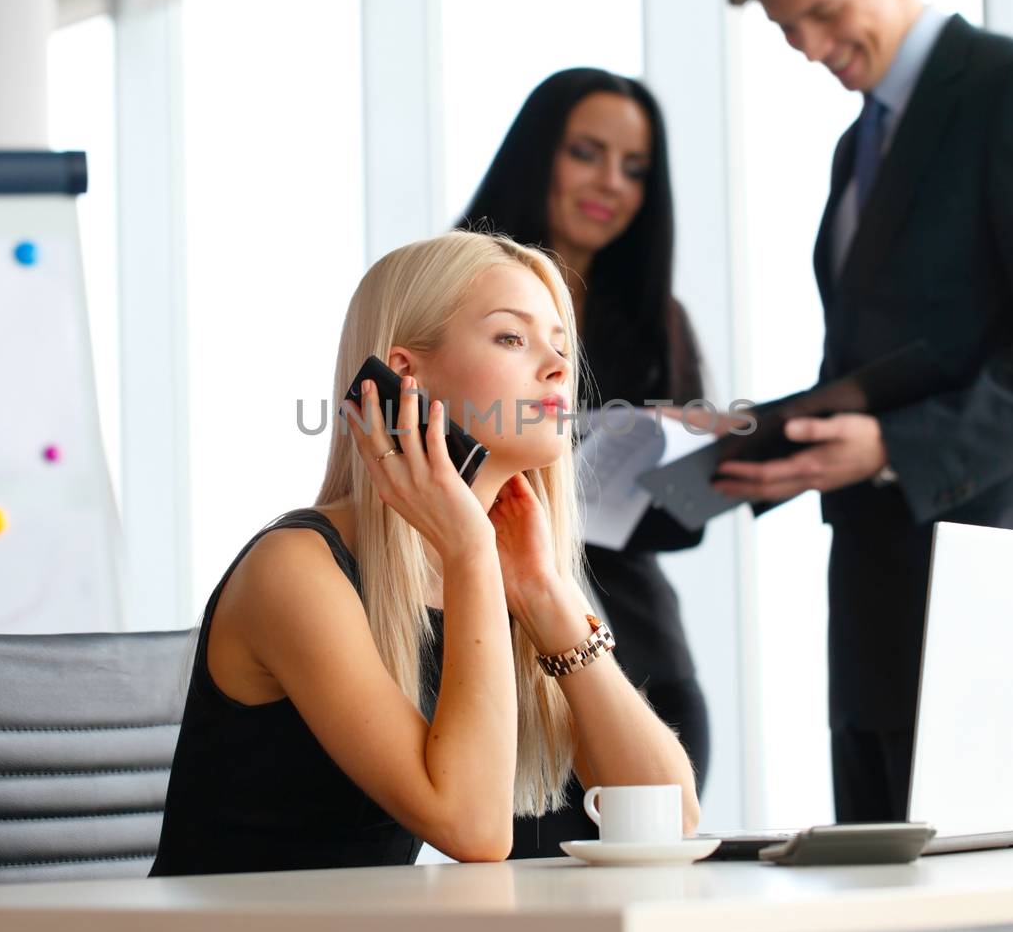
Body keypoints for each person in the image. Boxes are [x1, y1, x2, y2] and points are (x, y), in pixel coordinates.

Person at [716, 0, 1013, 837]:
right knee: (886, 911)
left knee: (982, 909)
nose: (815, 51)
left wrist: (894, 447)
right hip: (875, 593)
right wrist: (747, 433)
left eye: (823, 14)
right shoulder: (855, 148)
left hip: (992, 588)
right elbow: (902, 358)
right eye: (790, 31)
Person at [150, 231, 700, 876]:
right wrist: (469, 551)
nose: (557, 367)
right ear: (404, 375)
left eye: (558, 344)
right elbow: (473, 828)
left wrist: (545, 594)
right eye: (511, 338)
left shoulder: (511, 567)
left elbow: (670, 817)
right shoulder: (296, 568)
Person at [459, 68, 711, 858]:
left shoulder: (656, 320)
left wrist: (682, 460)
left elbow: (681, 522)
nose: (612, 183)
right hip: (504, 656)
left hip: (639, 652)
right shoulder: (452, 294)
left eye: (635, 168)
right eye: (588, 153)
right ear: (541, 155)